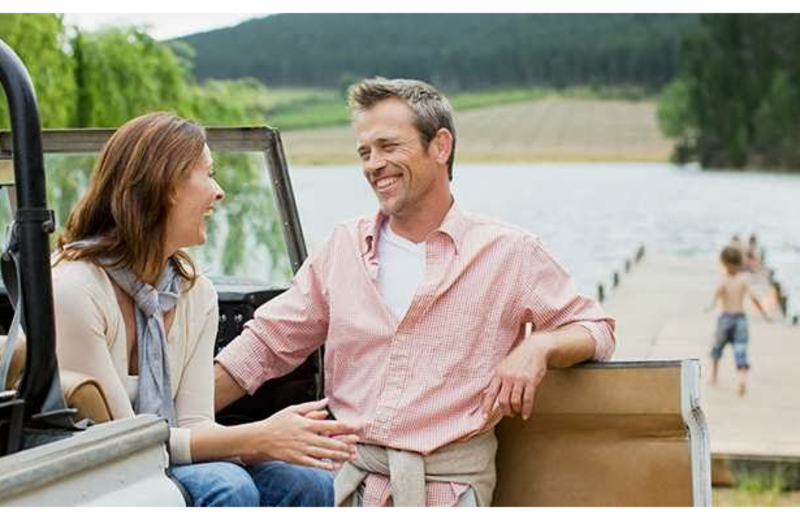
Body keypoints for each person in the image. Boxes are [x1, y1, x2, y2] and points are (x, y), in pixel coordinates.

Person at [213, 78, 616, 509]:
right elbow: (265, 345)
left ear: (440, 146)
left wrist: (540, 345)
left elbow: (597, 329)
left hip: (451, 492)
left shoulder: (510, 252)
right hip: (348, 485)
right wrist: (168, 429)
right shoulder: (342, 247)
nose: (374, 164)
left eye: (389, 146)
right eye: (365, 152)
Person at [53, 113, 356, 509]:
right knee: (227, 486)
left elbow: (194, 422)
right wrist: (259, 437)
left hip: (157, 455)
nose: (219, 192)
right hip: (100, 470)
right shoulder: (75, 286)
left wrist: (275, 441)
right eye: (207, 174)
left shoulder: (195, 292)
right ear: (165, 185)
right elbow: (123, 447)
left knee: (310, 483)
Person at [706, 246, 771, 397]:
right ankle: (741, 380)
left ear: (724, 263)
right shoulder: (744, 279)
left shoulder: (724, 278)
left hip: (726, 317)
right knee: (740, 351)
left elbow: (717, 294)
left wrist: (710, 306)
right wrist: (765, 315)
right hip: (740, 319)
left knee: (716, 349)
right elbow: (754, 298)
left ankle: (714, 377)